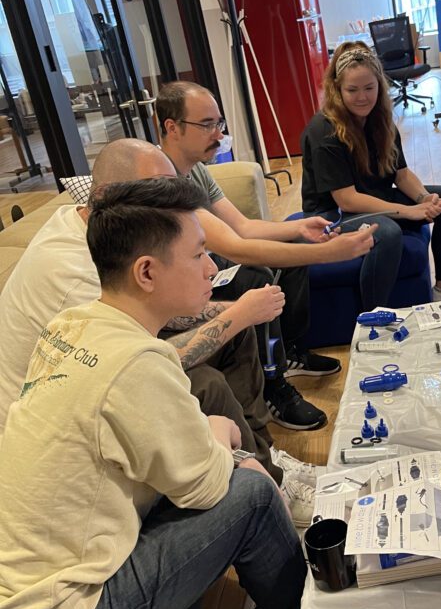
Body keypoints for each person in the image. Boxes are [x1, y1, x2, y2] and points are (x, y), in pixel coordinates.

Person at [0, 179, 310, 609]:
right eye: (199, 254)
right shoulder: (135, 363)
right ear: (146, 271)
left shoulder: (73, 324)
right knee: (252, 495)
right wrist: (226, 438)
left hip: (19, 605)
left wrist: (219, 445)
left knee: (226, 452)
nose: (213, 268)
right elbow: (208, 487)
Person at [0, 139, 319, 522]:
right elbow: (140, 365)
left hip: (109, 371)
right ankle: (265, 482)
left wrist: (237, 312)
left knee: (236, 325)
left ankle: (264, 456)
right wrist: (234, 316)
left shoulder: (97, 229)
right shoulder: (76, 276)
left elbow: (159, 322)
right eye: (156, 193)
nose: (172, 204)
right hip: (68, 425)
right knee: (207, 381)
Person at [156, 81, 376, 431]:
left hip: (206, 262)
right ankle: (272, 386)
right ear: (172, 127)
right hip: (181, 277)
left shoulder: (195, 168)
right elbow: (234, 246)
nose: (218, 134)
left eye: (219, 124)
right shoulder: (163, 178)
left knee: (293, 255)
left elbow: (242, 226)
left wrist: (300, 231)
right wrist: (329, 253)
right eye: (207, 125)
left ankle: (287, 353)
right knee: (255, 277)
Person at [301, 42, 441, 309]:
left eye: (369, 88)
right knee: (387, 232)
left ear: (380, 85)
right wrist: (407, 211)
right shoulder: (324, 130)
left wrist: (425, 198)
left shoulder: (380, 118)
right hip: (332, 213)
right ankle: (373, 316)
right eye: (352, 90)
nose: (362, 97)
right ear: (337, 89)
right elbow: (347, 200)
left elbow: (401, 175)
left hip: (371, 199)